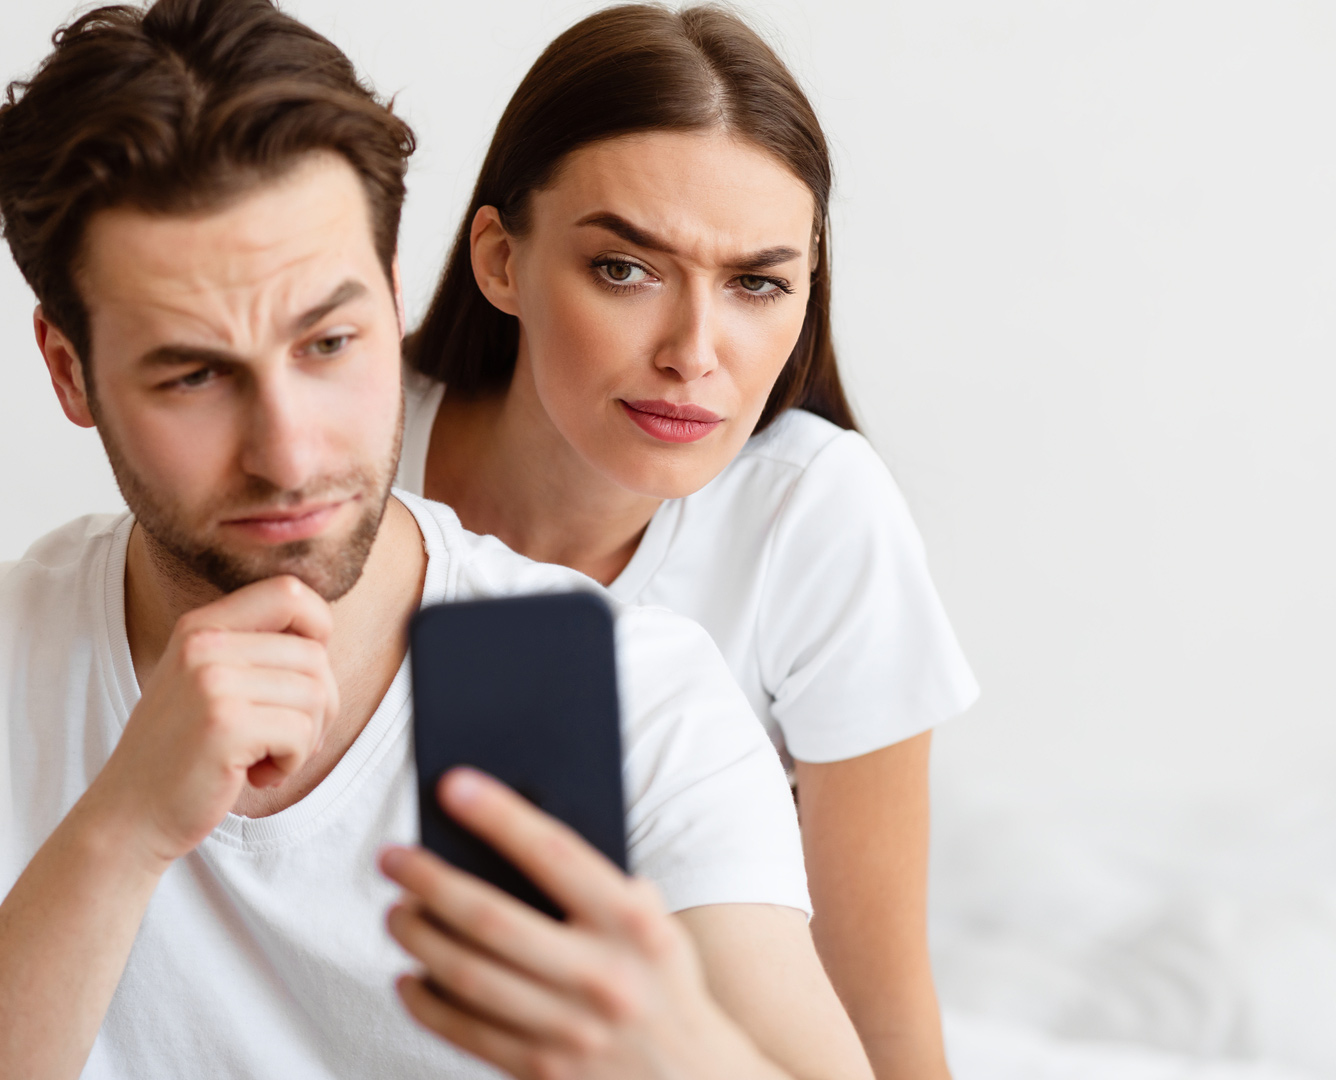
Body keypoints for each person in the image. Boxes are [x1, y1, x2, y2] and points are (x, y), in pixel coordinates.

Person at [0, 2, 873, 1078]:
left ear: (393, 303)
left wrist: (665, 1049)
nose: (287, 454)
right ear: (69, 370)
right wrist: (120, 832)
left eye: (329, 343)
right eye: (193, 374)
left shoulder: (640, 692)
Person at [398, 6, 979, 1078]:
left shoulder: (815, 514)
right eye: (627, 269)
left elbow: (876, 1006)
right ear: (500, 260)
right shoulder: (342, 451)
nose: (694, 354)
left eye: (757, 284)